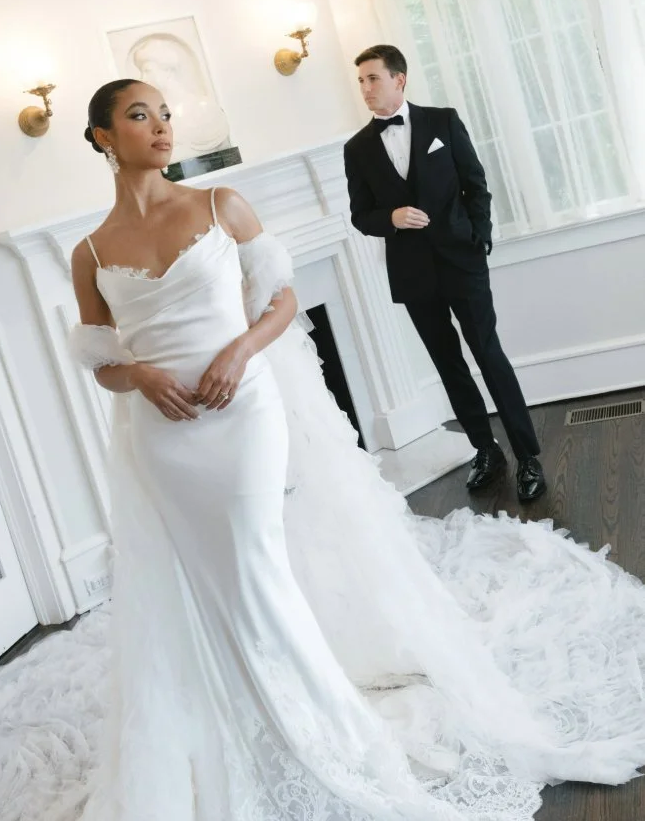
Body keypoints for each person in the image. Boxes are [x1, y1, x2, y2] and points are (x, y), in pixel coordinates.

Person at [69, 79, 645, 821]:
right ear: (103, 137)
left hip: (241, 416)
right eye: (139, 115)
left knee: (253, 566)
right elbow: (101, 361)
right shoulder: (90, 252)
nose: (161, 126)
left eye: (165, 113)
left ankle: (327, 733)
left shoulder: (220, 205)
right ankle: (234, 719)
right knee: (203, 581)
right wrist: (140, 375)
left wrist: (239, 350)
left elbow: (281, 301)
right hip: (162, 435)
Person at [343, 45, 545, 503]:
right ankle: (486, 450)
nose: (365, 89)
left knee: (488, 353)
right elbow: (361, 215)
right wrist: (391, 218)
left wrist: (480, 238)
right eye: (361, 81)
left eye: (373, 78)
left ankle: (528, 456)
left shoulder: (443, 122)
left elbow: (476, 184)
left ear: (399, 79)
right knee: (447, 363)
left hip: (461, 259)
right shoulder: (357, 149)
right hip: (413, 272)